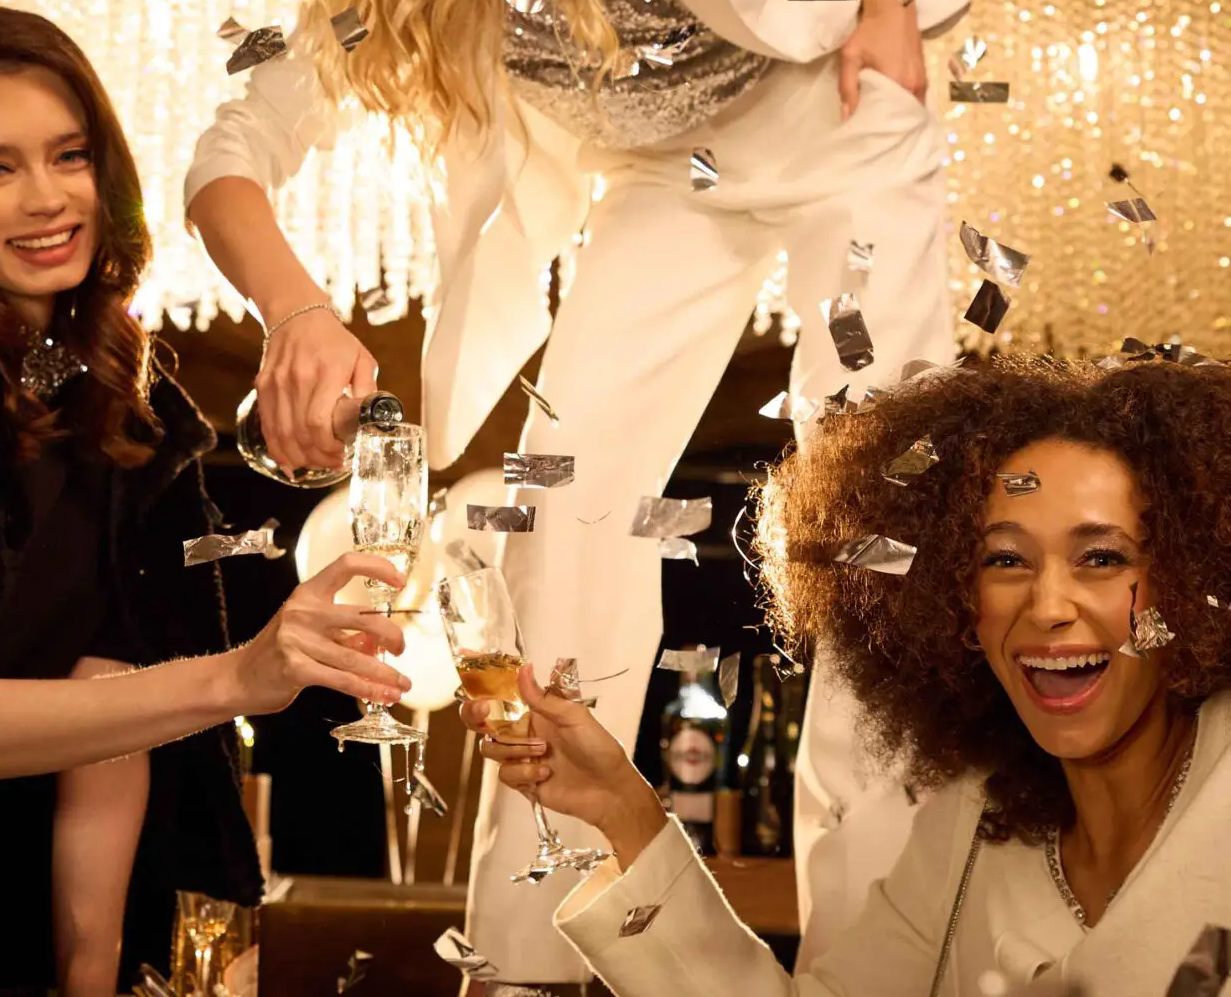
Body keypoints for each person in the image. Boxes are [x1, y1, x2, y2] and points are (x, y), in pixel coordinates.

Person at [184, 0, 969, 986]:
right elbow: (228, 157)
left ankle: (883, 955)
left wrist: (884, 0)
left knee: (873, 521)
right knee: (559, 511)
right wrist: (297, 311)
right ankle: (526, 950)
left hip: (838, 124)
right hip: (677, 176)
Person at [0, 5, 412, 997]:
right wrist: (238, 675)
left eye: (69, 155)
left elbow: (119, 703)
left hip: (15, 902)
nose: (46, 198)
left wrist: (92, 966)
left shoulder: (123, 405)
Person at [462, 350, 1231, 996]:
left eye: (1103, 558)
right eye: (1005, 560)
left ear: (1193, 580)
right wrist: (627, 813)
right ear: (952, 598)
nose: (1049, 605)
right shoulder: (972, 818)